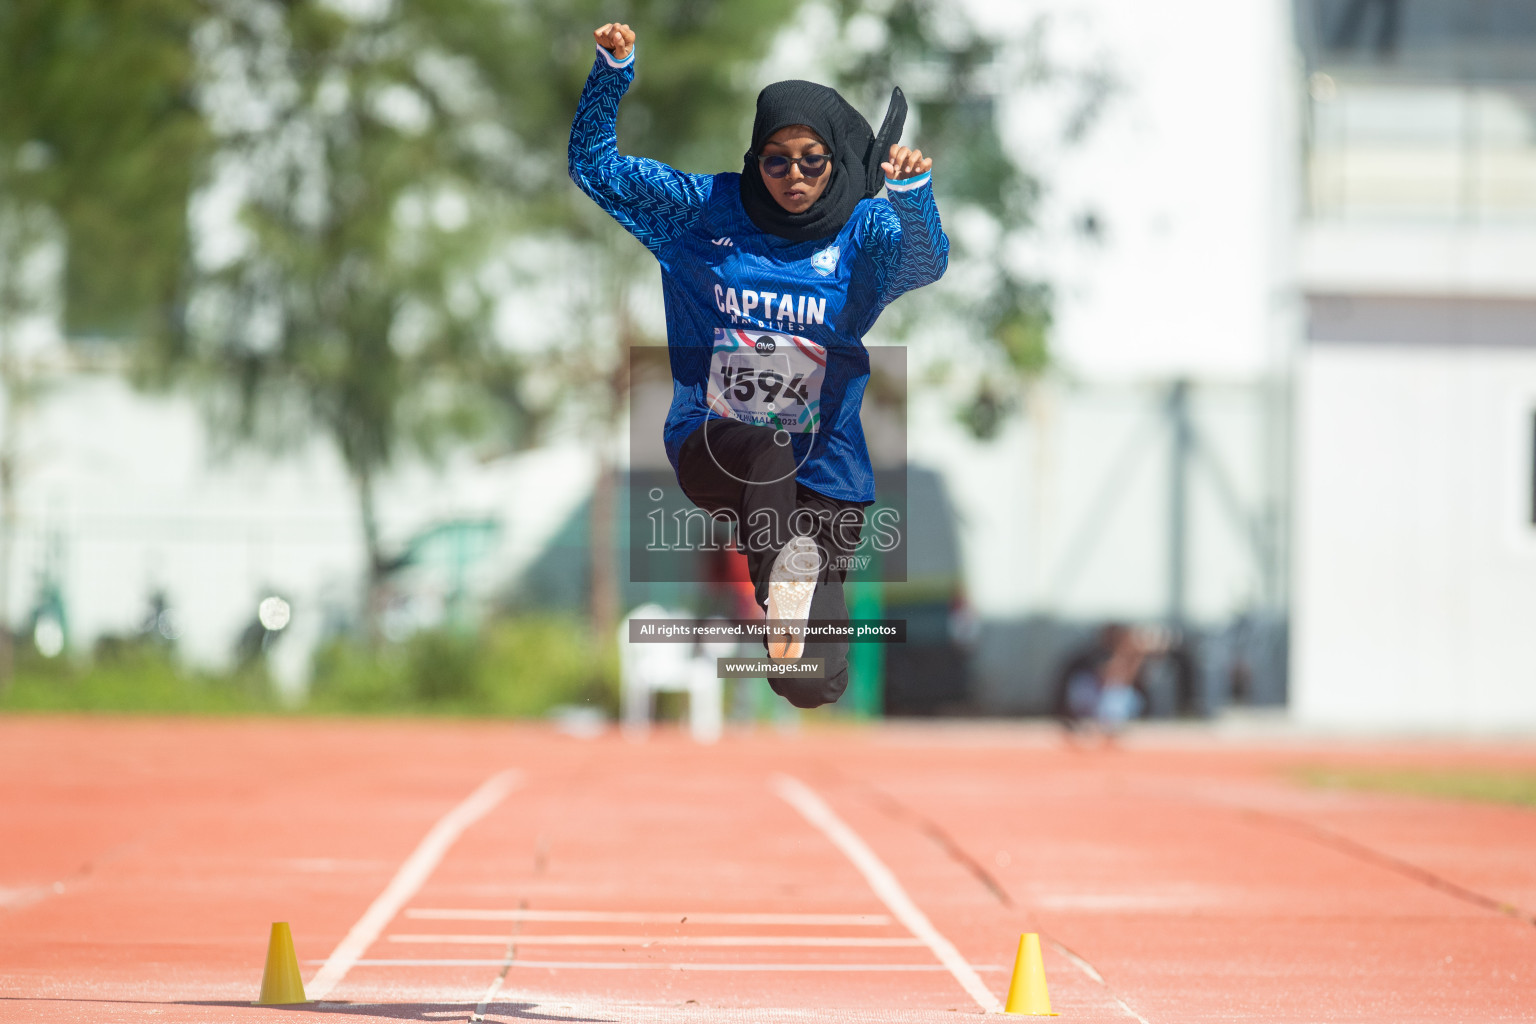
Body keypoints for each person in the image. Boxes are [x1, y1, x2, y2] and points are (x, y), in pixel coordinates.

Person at [570, 23, 948, 708]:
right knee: (767, 446)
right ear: (755, 157)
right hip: (717, 440)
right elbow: (594, 167)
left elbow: (925, 261)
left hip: (827, 475)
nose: (793, 176)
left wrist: (914, 194)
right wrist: (611, 70)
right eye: (776, 161)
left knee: (810, 679)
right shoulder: (702, 214)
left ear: (836, 160)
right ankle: (782, 581)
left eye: (811, 161)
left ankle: (794, 597)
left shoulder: (861, 233)